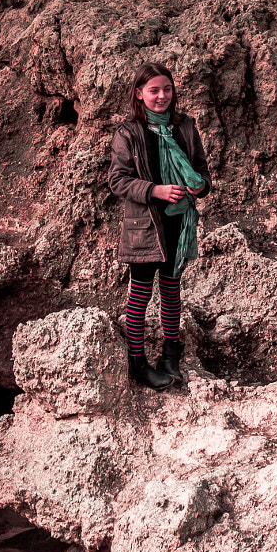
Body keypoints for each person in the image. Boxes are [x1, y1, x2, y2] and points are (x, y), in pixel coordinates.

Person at [106, 63, 211, 390]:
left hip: (179, 221)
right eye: (154, 90)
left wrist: (200, 186)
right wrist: (156, 190)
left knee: (171, 290)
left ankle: (170, 353)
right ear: (140, 94)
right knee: (139, 295)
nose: (162, 96)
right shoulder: (128, 133)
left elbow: (202, 171)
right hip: (144, 227)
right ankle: (137, 362)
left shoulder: (186, 127)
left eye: (167, 89)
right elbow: (117, 181)